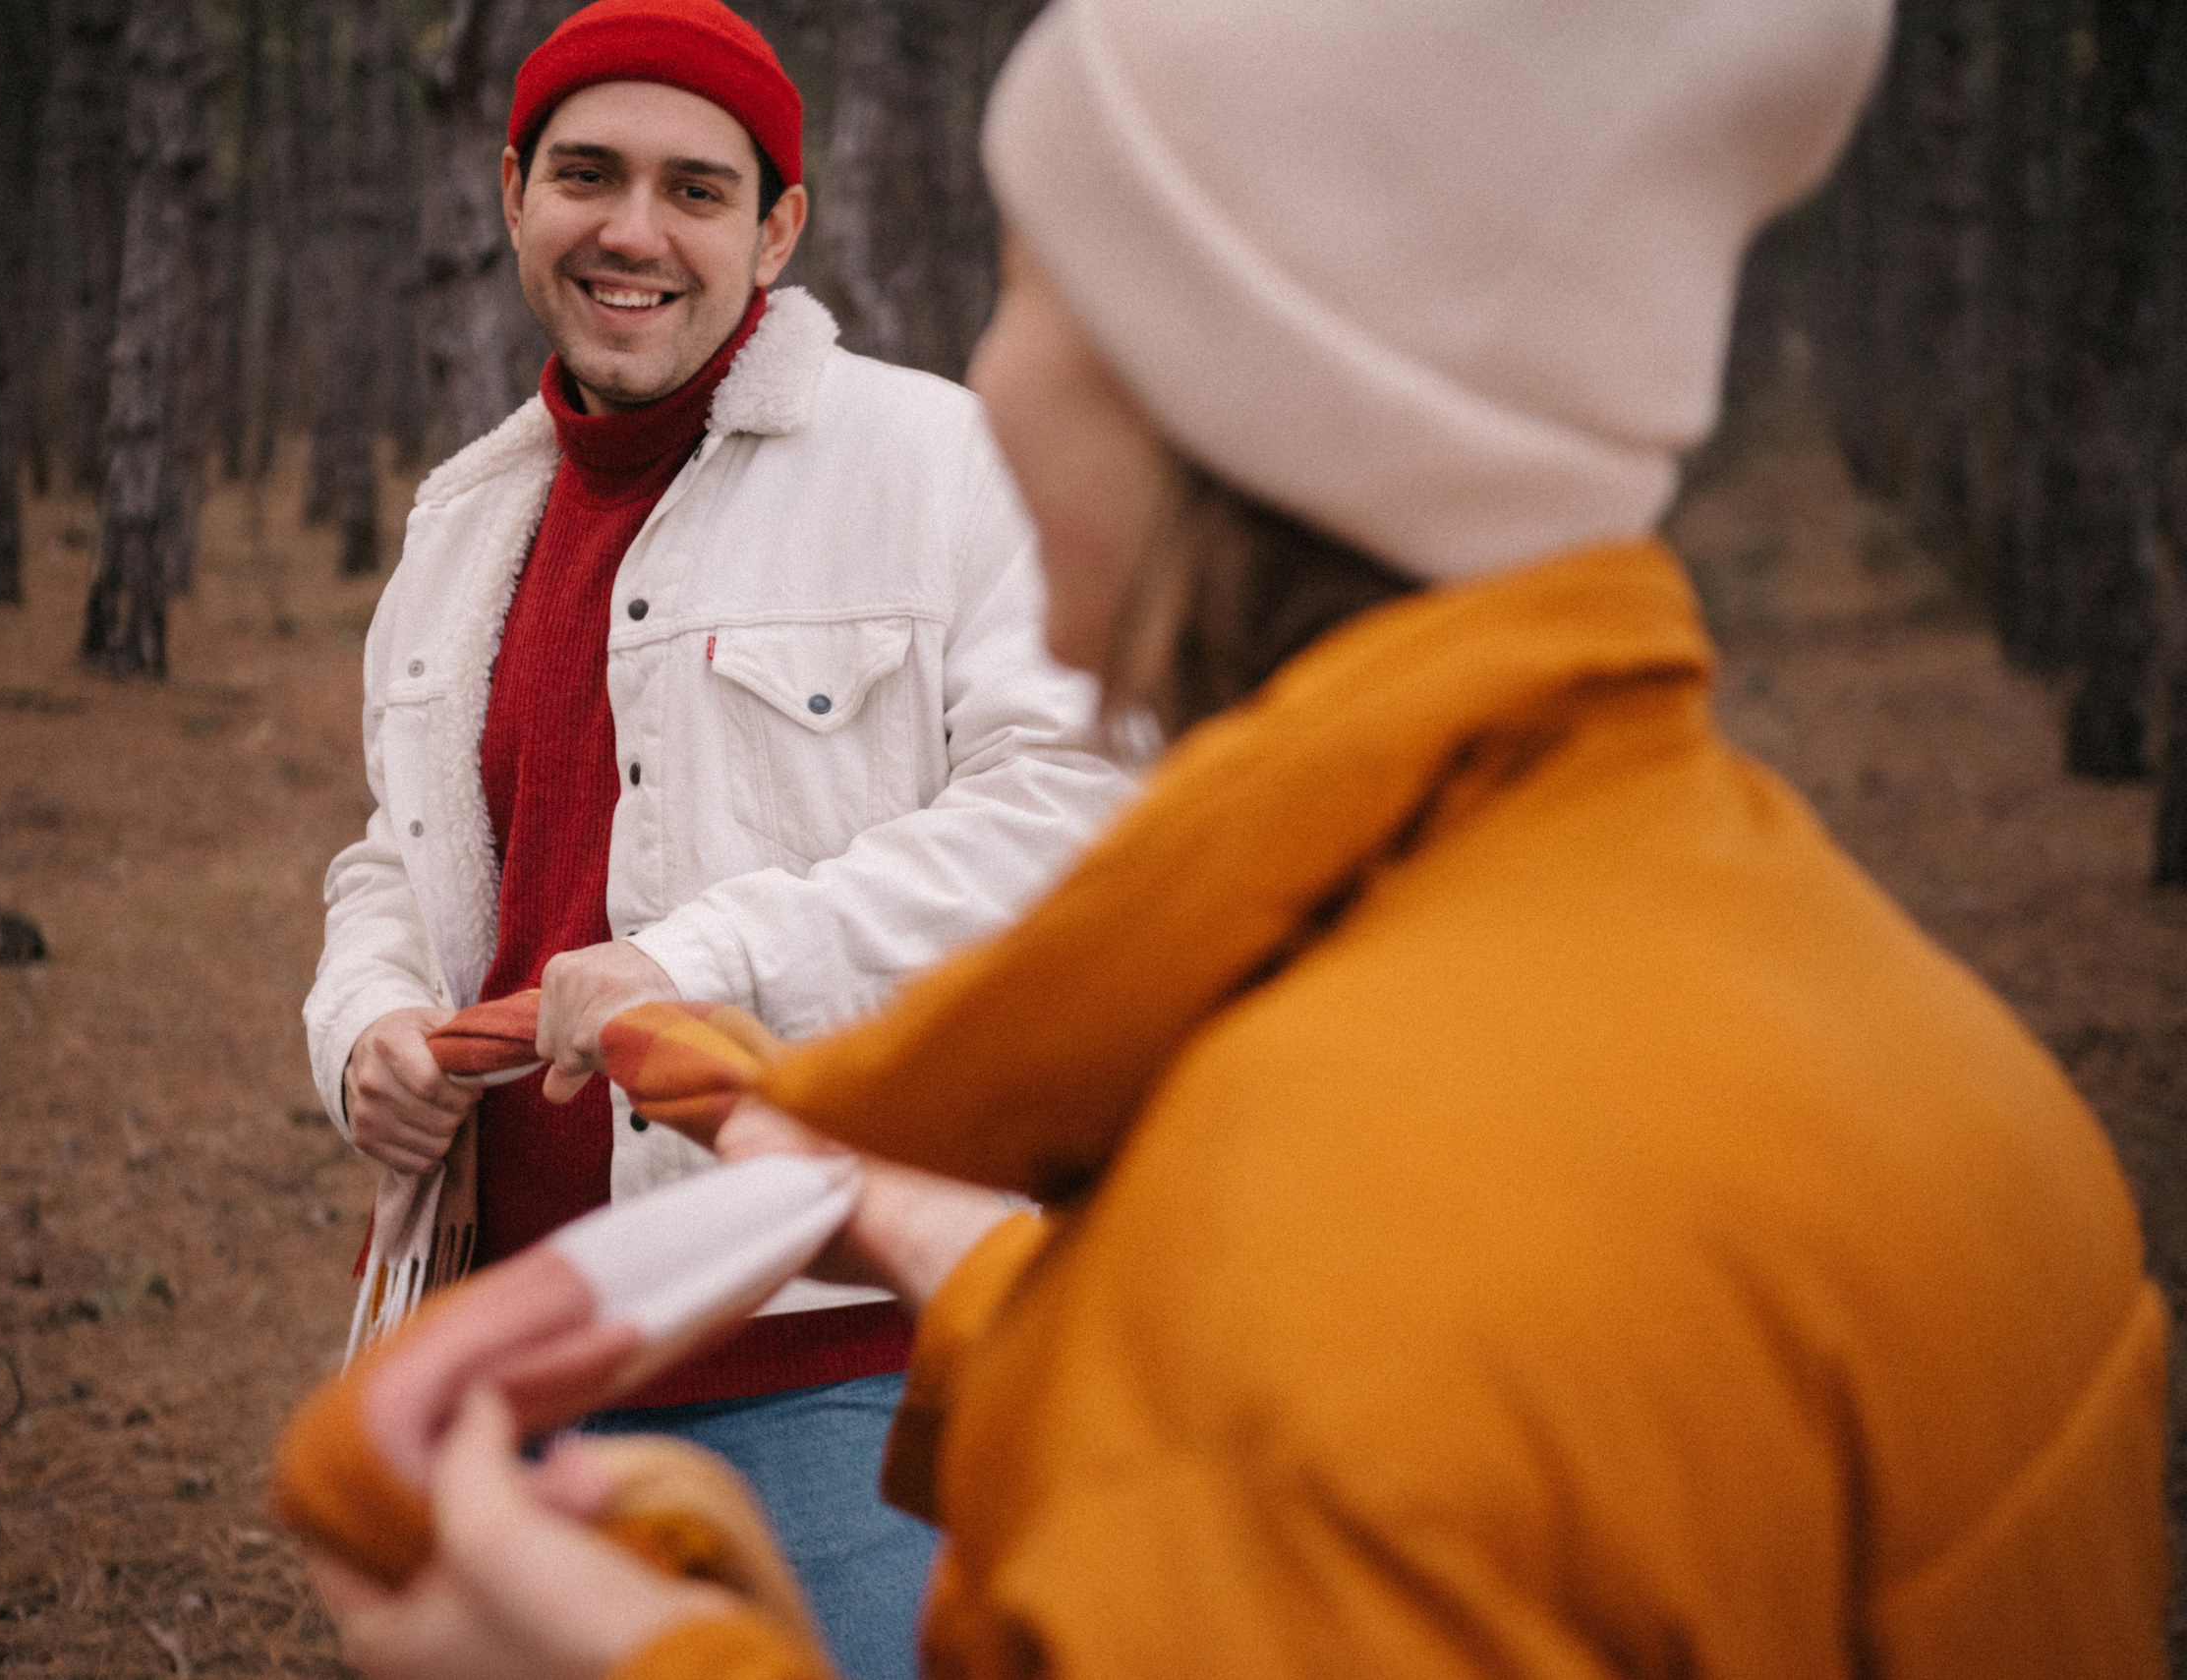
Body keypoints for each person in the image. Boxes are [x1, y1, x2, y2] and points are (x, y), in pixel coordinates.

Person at [309, 0, 2171, 1675]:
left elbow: (1327, 1396)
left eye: (1035, 290)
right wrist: (1001, 1279)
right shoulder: (1905, 1038)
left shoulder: (1296, 1242)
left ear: (1191, 395)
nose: (994, 375)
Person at [299, 2, 1125, 1675]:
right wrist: (364, 1027)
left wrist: (709, 964)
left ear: (778, 226)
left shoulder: (941, 461)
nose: (634, 231)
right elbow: (399, 851)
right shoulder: (464, 520)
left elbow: (1071, 813)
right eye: (588, 176)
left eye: (695, 188)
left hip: (837, 1366)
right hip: (503, 1354)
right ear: (512, 189)